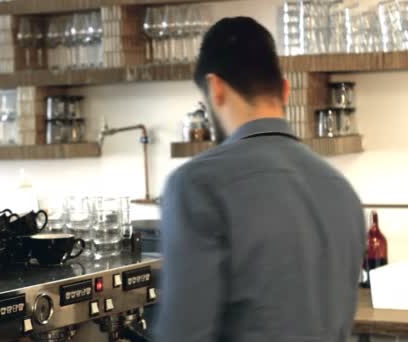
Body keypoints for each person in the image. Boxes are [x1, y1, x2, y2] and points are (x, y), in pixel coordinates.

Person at [155, 17, 365, 342]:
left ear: (216, 88)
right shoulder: (341, 189)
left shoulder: (197, 186)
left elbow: (184, 334)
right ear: (284, 89)